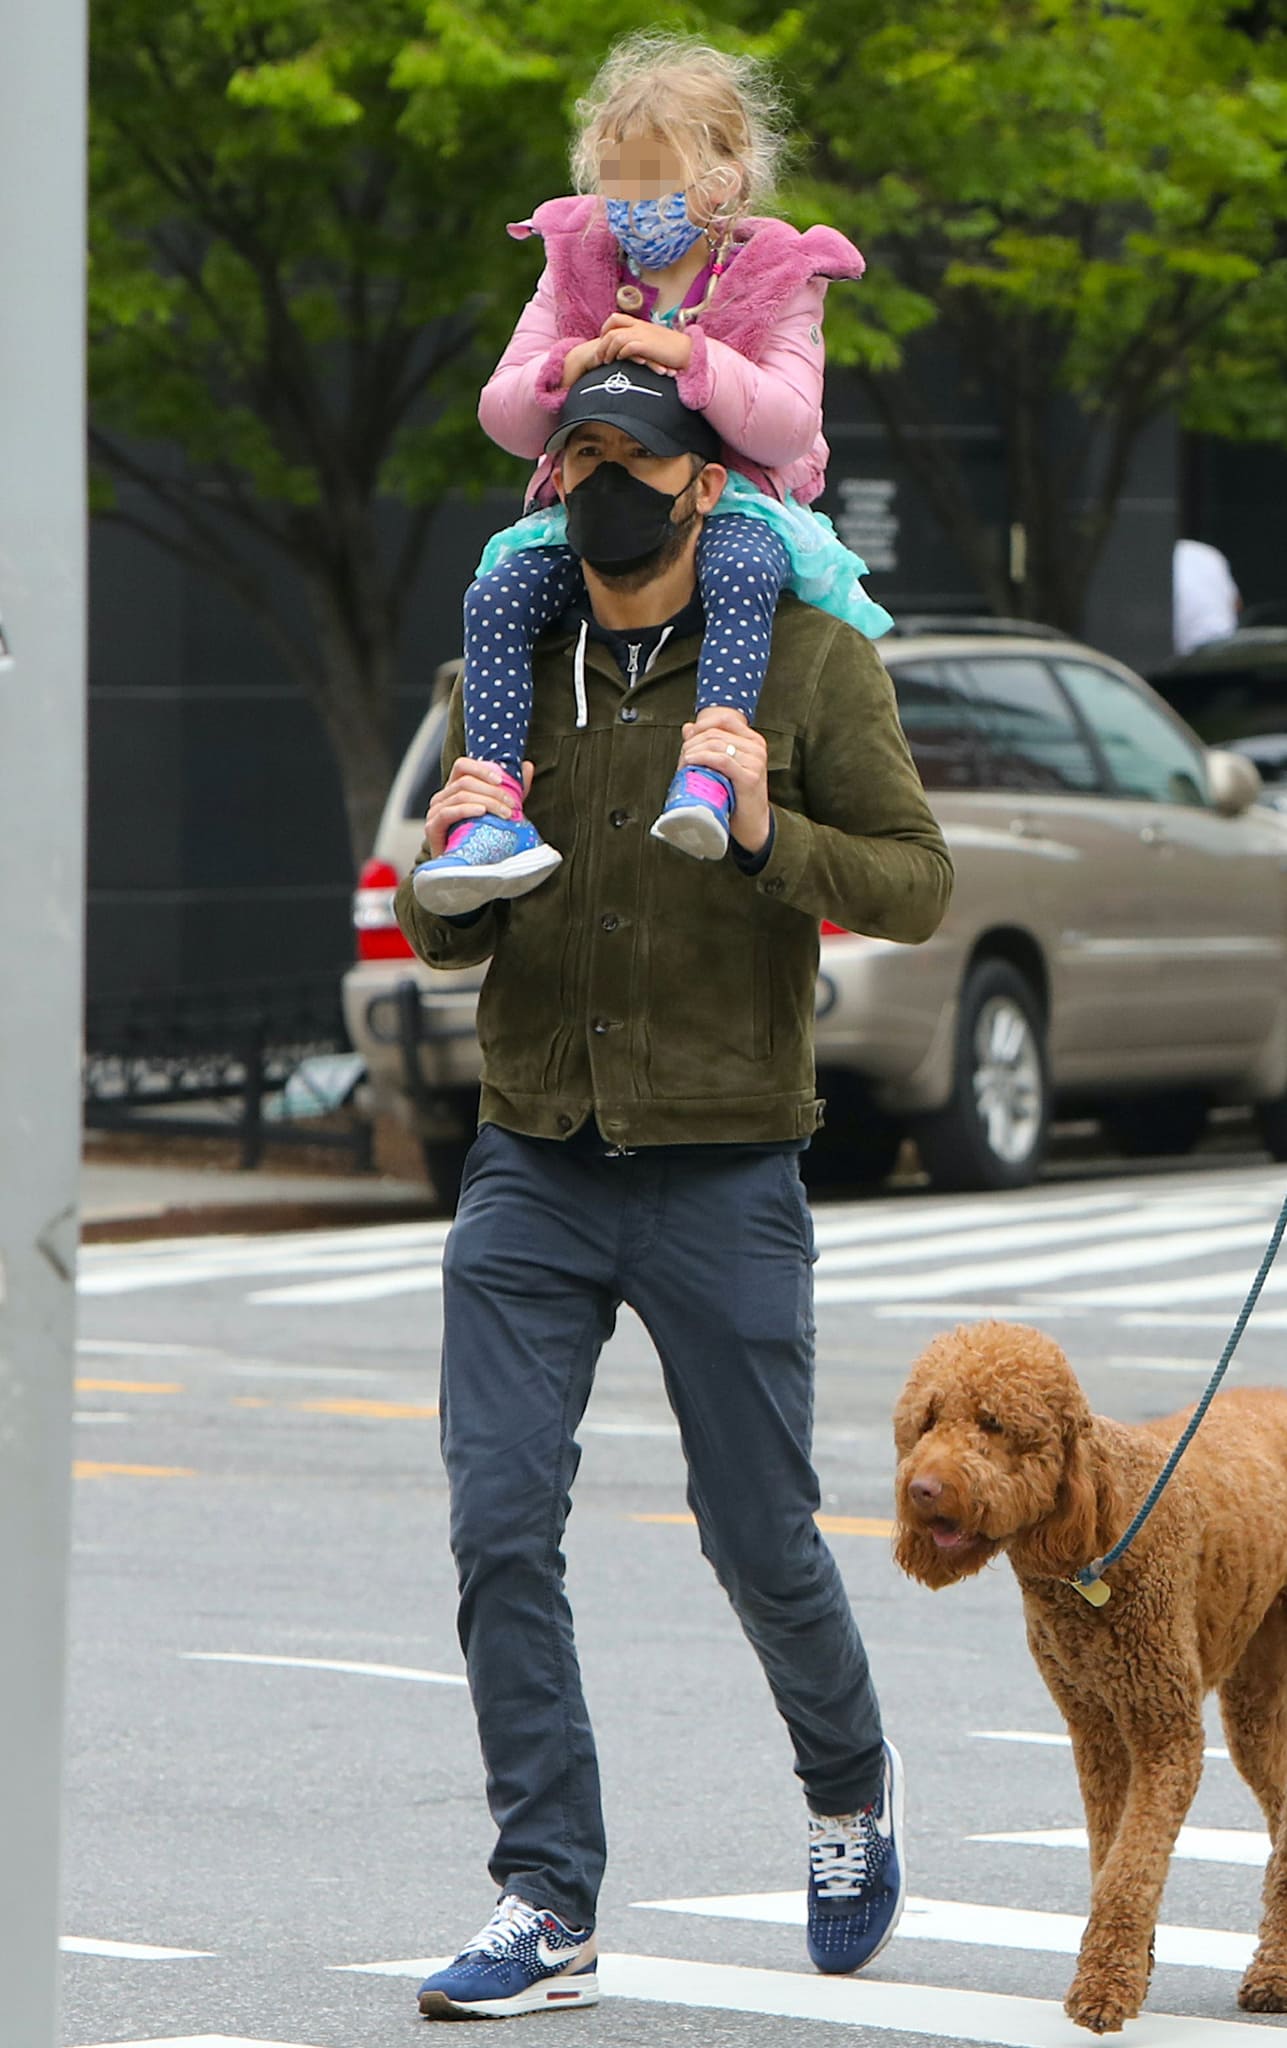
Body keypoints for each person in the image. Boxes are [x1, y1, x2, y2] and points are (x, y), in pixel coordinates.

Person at [395, 362, 953, 2021]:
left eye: (628, 456)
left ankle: (849, 1785)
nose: (594, 484)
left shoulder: (804, 657)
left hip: (723, 1163)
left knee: (758, 1534)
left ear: (703, 481)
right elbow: (447, 923)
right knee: (498, 1521)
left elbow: (917, 882)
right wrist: (446, 851)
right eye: (575, 455)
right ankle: (543, 1892)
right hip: (531, 1164)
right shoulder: (510, 660)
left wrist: (774, 829)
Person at [411, 30, 893, 916]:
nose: (629, 204)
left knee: (743, 567)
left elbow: (789, 425)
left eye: (652, 180)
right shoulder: (576, 262)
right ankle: (493, 808)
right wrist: (566, 363)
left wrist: (689, 354)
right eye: (614, 180)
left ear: (724, 179)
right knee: (497, 592)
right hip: (589, 500)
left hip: (738, 495)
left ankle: (710, 769)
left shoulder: (773, 273)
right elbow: (503, 416)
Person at [1173, 536, 1241, 656]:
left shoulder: (1147, 557)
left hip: (1183, 661)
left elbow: (1236, 604)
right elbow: (1236, 605)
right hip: (1228, 653)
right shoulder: (1206, 552)